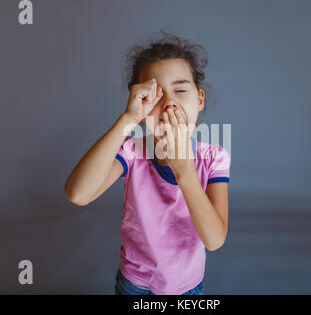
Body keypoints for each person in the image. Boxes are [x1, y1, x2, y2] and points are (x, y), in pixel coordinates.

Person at [64, 32, 230, 295]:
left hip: (187, 288)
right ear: (139, 103)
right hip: (135, 285)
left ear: (199, 99)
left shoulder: (214, 157)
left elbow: (214, 239)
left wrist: (184, 171)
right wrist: (128, 119)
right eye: (155, 96)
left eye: (181, 90)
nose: (169, 104)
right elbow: (78, 193)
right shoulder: (133, 152)